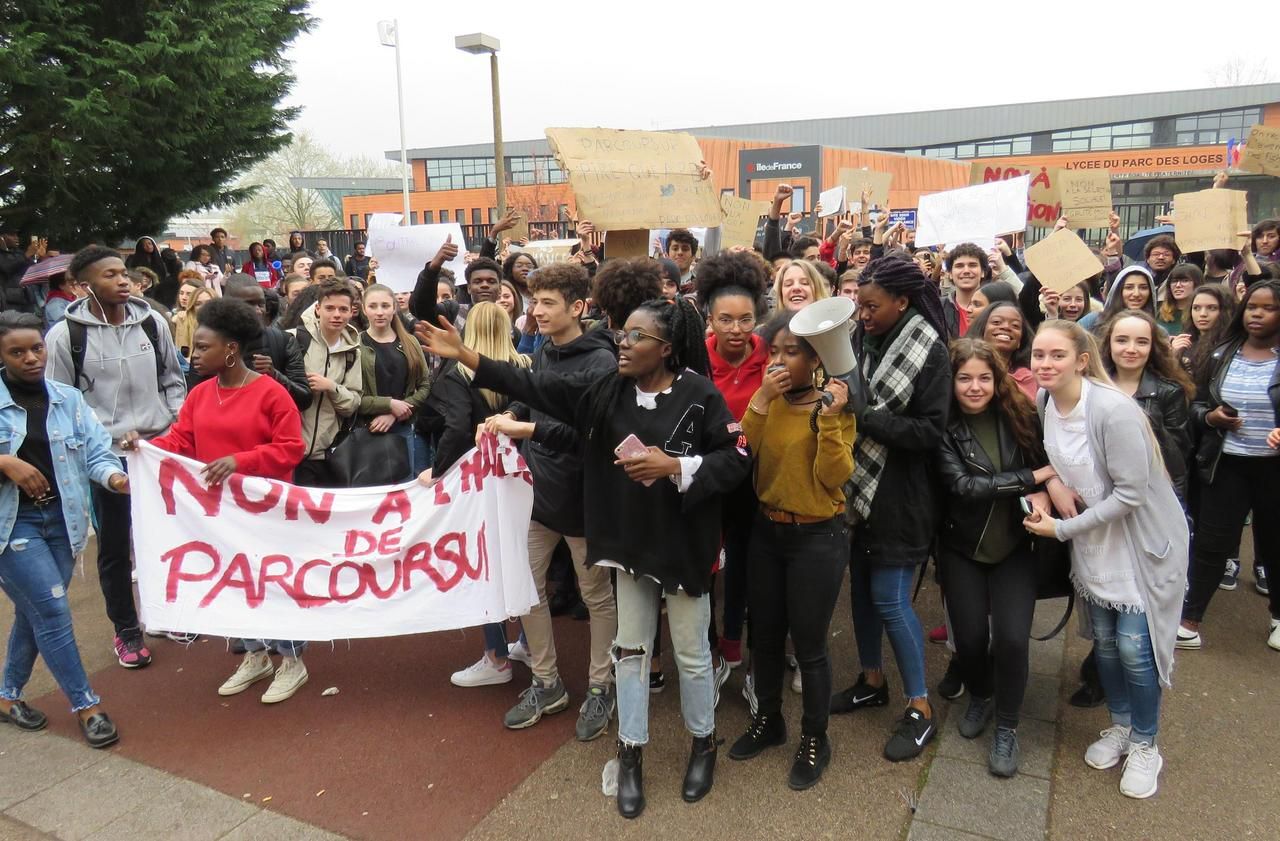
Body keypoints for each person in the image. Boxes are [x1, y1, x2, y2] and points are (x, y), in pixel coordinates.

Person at [418, 293, 752, 819]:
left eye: (636, 336)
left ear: (664, 349)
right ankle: (632, 753)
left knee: (690, 655)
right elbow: (537, 385)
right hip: (626, 544)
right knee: (632, 654)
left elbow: (735, 458)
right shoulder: (605, 391)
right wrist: (468, 356)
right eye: (622, 333)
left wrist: (677, 467)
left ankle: (702, 745)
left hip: (683, 546)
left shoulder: (701, 395)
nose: (623, 342)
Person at [1025, 319, 1188, 800]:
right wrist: (1046, 492)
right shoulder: (1044, 401)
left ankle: (1146, 742)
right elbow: (1056, 461)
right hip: (1095, 546)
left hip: (1140, 546)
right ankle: (1120, 727)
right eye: (1038, 355)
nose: (1045, 364)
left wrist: (1061, 529)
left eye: (1057, 355)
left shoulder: (1112, 410)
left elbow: (1132, 495)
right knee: (1107, 646)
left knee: (1137, 650)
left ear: (1081, 359)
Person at [133, 298, 307, 702]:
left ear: (230, 349)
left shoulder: (271, 393)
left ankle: (292, 660)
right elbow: (180, 440)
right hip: (219, 512)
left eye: (203, 347)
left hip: (266, 510)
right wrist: (142, 450)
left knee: (273, 583)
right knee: (234, 582)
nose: (194, 355)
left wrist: (238, 461)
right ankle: (255, 654)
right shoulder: (199, 395)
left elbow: (290, 449)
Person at [476, 263, 620, 739]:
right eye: (533, 301)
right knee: (527, 589)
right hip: (537, 495)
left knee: (595, 594)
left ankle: (602, 685)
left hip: (583, 500)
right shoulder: (543, 350)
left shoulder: (601, 363)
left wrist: (528, 428)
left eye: (546, 303)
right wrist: (507, 416)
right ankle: (546, 680)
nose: (534, 311)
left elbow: (588, 434)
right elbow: (533, 397)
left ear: (578, 308)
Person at [727, 311, 855, 790]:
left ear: (816, 359)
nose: (778, 361)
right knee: (764, 636)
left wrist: (829, 419)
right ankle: (769, 721)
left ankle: (815, 738)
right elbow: (742, 453)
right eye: (774, 352)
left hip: (817, 539)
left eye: (791, 352)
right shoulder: (771, 403)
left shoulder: (836, 408)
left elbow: (834, 477)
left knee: (810, 645)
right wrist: (760, 398)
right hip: (767, 533)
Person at [831, 253, 950, 763]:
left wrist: (863, 415)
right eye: (859, 305)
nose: (862, 315)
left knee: (890, 600)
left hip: (902, 497)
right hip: (860, 493)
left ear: (903, 302)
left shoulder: (931, 350)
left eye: (872, 306)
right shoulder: (860, 339)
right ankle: (871, 678)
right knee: (860, 593)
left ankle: (920, 706)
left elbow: (928, 433)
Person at [45, 246, 186, 669]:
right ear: (86, 285)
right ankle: (126, 630)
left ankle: (166, 613)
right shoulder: (65, 336)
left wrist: (174, 430)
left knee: (163, 535)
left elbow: (172, 380)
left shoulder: (152, 321)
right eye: (110, 275)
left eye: (124, 273)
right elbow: (60, 403)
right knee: (115, 546)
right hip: (104, 457)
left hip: (158, 450)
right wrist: (97, 444)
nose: (122, 280)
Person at [0, 311, 129, 748]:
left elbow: (96, 453)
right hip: (11, 527)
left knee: (33, 610)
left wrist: (116, 478)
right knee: (53, 612)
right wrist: (4, 461)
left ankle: (6, 696)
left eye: (36, 348)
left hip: (62, 522)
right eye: (17, 352)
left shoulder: (67, 399)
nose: (31, 358)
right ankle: (86, 705)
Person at [936, 338, 1063, 777]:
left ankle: (1007, 727)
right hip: (962, 547)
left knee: (1011, 639)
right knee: (969, 640)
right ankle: (981, 695)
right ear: (950, 381)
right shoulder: (944, 427)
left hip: (1015, 546)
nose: (975, 387)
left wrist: (1044, 487)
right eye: (964, 378)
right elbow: (964, 487)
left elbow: (1051, 461)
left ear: (998, 380)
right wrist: (1030, 477)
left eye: (984, 378)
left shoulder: (1021, 416)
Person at [424, 302, 531, 688]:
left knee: (486, 562)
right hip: (521, 472)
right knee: (522, 558)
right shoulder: (523, 365)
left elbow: (454, 429)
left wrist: (438, 474)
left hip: (480, 479)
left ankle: (495, 655)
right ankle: (527, 642)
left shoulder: (458, 374)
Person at [1177, 279, 1280, 650]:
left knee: (1274, 543)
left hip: (1273, 469)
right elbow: (1196, 403)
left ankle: (1278, 618)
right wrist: (1211, 418)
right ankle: (1189, 620)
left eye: (1268, 308)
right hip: (1227, 463)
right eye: (1253, 307)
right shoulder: (1222, 353)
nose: (1258, 314)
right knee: (1211, 543)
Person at [696, 252, 771, 674]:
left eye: (745, 319)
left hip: (756, 482)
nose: (736, 330)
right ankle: (706, 644)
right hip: (710, 477)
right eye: (725, 319)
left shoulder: (774, 358)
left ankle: (732, 641)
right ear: (709, 317)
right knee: (707, 563)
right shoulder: (697, 362)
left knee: (743, 563)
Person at [1099, 311, 1193, 500]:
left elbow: (1177, 455)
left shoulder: (1169, 392)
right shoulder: (1092, 387)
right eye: (1122, 340)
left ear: (1153, 347)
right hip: (1102, 488)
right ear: (1109, 343)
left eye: (1142, 342)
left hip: (1152, 492)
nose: (1131, 349)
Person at [285, 279, 363, 487]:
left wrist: (331, 387)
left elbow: (352, 403)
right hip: (290, 451)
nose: (336, 314)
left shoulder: (352, 352)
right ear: (318, 309)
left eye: (343, 309)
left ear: (351, 312)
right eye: (330, 308)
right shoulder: (293, 339)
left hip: (327, 454)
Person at [357, 284, 431, 479]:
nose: (380, 312)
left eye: (385, 306)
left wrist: (397, 412)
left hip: (403, 428)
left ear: (394, 308)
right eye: (373, 306)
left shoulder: (410, 342)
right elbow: (352, 394)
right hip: (367, 429)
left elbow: (425, 385)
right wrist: (388, 404)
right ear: (364, 309)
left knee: (403, 491)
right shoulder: (356, 344)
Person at [221, 276, 312, 411]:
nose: (258, 310)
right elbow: (198, 398)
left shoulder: (284, 341)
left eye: (260, 304)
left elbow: (304, 400)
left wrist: (274, 374)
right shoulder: (211, 344)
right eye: (249, 304)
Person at [967, 300, 1035, 398]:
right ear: (983, 330)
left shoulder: (1030, 380)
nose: (1006, 327)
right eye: (996, 322)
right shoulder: (961, 368)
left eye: (1015, 325)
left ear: (1020, 341)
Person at [1079, 265, 1157, 334]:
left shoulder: (1157, 331)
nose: (1136, 293)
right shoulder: (1093, 321)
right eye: (1129, 287)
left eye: (1143, 288)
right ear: (1119, 291)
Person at [942, 244, 989, 337]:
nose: (966, 271)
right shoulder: (938, 308)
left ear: (983, 272)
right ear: (950, 273)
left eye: (972, 265)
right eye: (959, 266)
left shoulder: (994, 307)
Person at [1155, 264, 1201, 336]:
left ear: (1196, 283)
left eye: (1185, 281)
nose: (1178, 285)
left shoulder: (1201, 313)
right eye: (1174, 281)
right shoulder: (1158, 310)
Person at [172, 287, 216, 362]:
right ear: (192, 307)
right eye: (198, 304)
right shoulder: (180, 321)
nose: (204, 307)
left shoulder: (224, 327)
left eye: (208, 303)